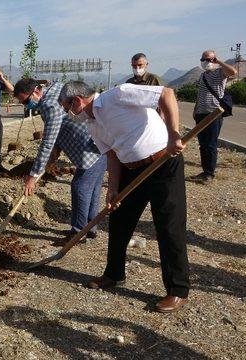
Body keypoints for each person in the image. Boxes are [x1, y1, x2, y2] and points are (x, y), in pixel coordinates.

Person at [58, 81, 190, 313]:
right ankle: (114, 274)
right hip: (131, 169)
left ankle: (177, 290)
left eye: (65, 108)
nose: (68, 114)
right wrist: (113, 189)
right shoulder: (92, 123)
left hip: (163, 163)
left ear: (76, 101)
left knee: (169, 226)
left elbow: (166, 94)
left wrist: (173, 134)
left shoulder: (118, 95)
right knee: (119, 221)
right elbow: (111, 155)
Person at [14, 78, 106, 244]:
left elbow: (48, 141)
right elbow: (56, 137)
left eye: (27, 101)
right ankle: (90, 228)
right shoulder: (56, 89)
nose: (26, 106)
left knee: (80, 187)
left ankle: (78, 233)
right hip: (97, 145)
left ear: (36, 91)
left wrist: (33, 175)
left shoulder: (50, 105)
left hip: (91, 149)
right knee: (92, 188)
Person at [189, 50, 238, 185]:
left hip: (213, 113)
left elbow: (233, 72)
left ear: (215, 60)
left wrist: (219, 62)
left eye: (209, 59)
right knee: (203, 144)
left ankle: (209, 174)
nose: (206, 62)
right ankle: (205, 171)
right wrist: (195, 109)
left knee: (210, 144)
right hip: (200, 113)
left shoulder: (220, 73)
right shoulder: (203, 75)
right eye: (203, 59)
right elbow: (200, 94)